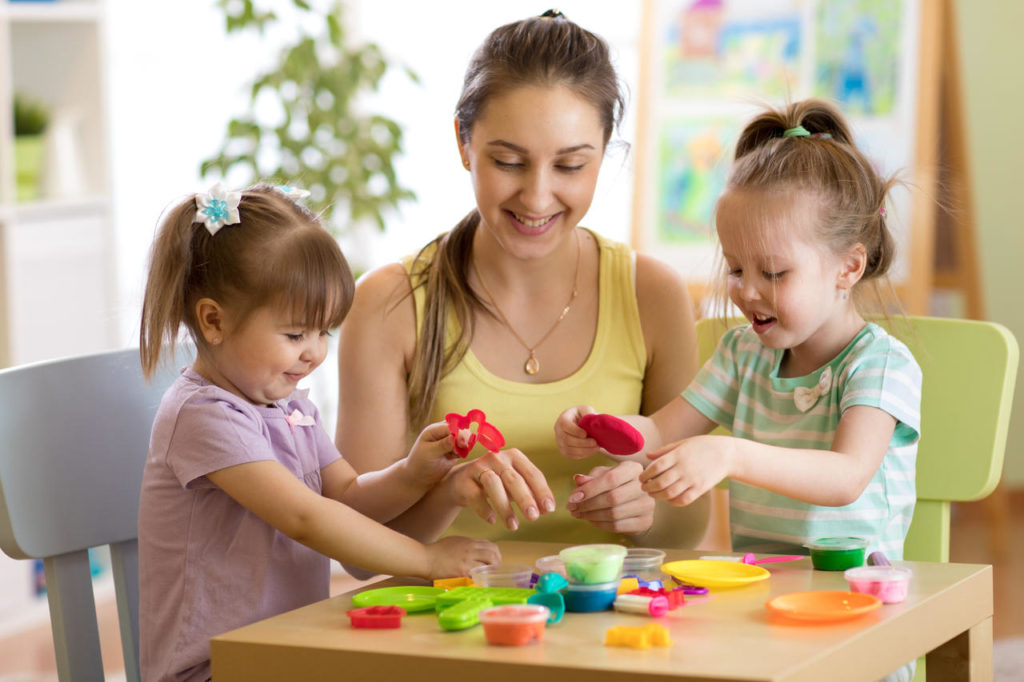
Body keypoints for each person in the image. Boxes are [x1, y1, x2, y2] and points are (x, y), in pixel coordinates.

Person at [336, 10, 711, 547]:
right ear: (463, 144)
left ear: (604, 154)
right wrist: (449, 491)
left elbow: (690, 529)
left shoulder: (653, 295)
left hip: (611, 623)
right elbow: (358, 548)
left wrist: (646, 508)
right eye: (509, 161)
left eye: (570, 166)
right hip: (444, 621)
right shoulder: (389, 304)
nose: (537, 197)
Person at [137, 183, 500, 682]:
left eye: (322, 332)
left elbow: (348, 495)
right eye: (294, 334)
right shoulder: (203, 415)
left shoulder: (286, 408)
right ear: (214, 321)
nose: (314, 353)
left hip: (287, 648)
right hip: (216, 667)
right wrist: (426, 559)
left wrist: (414, 474)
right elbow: (306, 517)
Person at [556, 97, 923, 562]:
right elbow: (656, 431)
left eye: (773, 274)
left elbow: (847, 476)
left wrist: (731, 455)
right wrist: (599, 428)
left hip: (859, 594)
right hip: (762, 589)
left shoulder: (879, 365)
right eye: (735, 269)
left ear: (847, 267)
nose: (747, 292)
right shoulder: (741, 354)